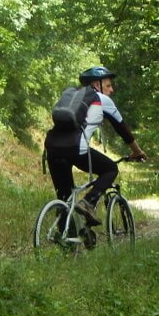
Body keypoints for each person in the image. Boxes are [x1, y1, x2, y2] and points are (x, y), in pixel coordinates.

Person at [44, 65, 146, 226]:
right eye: (108, 85)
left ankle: (67, 242)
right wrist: (138, 152)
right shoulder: (102, 100)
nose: (111, 89)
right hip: (76, 149)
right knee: (110, 168)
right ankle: (88, 202)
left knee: (64, 198)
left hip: (52, 149)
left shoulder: (73, 97)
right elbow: (123, 129)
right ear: (97, 85)